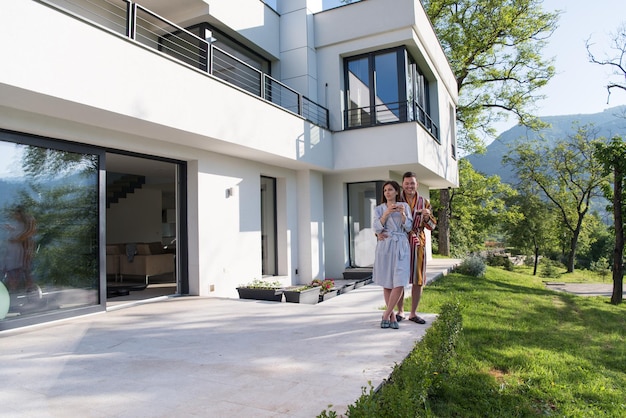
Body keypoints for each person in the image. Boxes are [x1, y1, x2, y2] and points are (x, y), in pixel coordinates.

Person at [396, 172, 436, 324]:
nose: (409, 186)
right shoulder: (397, 200)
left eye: (412, 183)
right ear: (402, 185)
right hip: (399, 242)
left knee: (417, 279)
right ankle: (400, 311)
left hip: (418, 243)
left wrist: (426, 217)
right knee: (399, 278)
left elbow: (432, 226)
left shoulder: (424, 202)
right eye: (406, 183)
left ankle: (413, 313)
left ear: (417, 184)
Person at [372, 181, 413, 329]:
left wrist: (402, 214)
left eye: (390, 190)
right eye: (385, 190)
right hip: (386, 246)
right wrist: (386, 214)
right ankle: (392, 316)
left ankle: (385, 314)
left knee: (400, 281)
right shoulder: (379, 209)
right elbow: (376, 227)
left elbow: (408, 227)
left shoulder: (405, 206)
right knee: (387, 281)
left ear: (397, 192)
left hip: (401, 244)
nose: (387, 192)